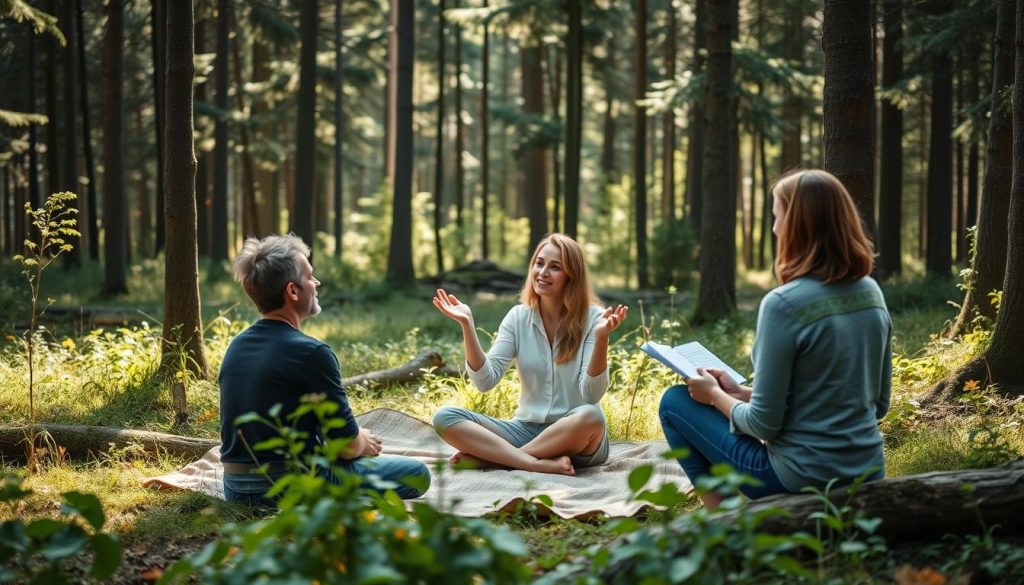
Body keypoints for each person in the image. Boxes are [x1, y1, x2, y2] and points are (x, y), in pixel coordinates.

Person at [659, 169, 892, 510]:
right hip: (868, 470)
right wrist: (740, 393)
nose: (774, 228)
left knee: (675, 402)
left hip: (799, 478)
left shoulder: (784, 304)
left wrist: (713, 397)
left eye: (777, 216)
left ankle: (727, 525)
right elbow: (878, 404)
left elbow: (763, 423)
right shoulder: (871, 291)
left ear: (798, 226)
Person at [220, 234, 430, 505]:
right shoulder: (312, 353)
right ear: (293, 291)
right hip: (289, 487)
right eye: (309, 276)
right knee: (418, 473)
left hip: (235, 488)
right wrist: (362, 441)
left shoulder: (236, 346)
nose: (316, 283)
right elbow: (344, 448)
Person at [432, 233, 628, 476]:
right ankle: (532, 462)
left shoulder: (594, 319)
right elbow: (485, 382)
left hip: (577, 436)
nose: (543, 272)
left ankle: (498, 460)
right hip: (525, 430)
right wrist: (467, 324)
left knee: (592, 414)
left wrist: (601, 339)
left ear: (571, 276)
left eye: (555, 267)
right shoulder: (518, 317)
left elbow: (591, 394)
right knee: (445, 417)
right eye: (539, 263)